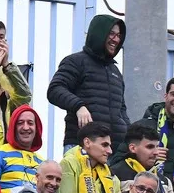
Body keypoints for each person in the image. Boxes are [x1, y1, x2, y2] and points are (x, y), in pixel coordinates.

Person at [47, 13, 128, 151]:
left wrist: (128, 136)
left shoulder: (116, 72)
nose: (116, 39)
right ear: (99, 34)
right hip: (82, 146)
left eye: (119, 35)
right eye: (112, 34)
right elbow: (55, 89)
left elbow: (122, 110)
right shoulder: (76, 61)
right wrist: (79, 106)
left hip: (112, 150)